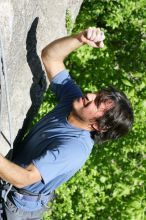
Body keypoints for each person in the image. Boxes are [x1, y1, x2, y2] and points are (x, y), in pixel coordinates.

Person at [0, 27, 133, 219]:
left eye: (96, 102)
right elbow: (50, 57)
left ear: (100, 126)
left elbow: (23, 178)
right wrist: (80, 39)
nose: (89, 95)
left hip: (14, 204)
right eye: (97, 94)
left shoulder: (74, 148)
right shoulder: (73, 101)